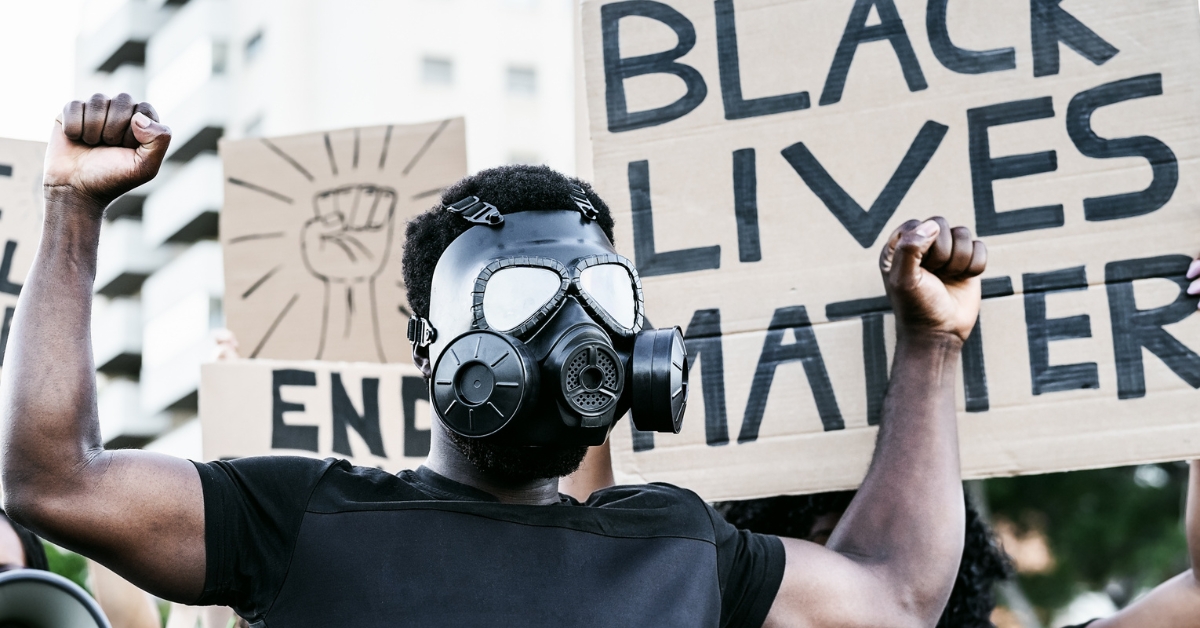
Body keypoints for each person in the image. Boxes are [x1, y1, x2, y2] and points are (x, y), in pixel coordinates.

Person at [0, 93, 987, 627]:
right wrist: (71, 207)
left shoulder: (681, 547)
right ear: (435, 344)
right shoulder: (301, 516)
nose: (573, 333)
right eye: (521, 296)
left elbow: (894, 595)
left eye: (601, 299)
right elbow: (57, 483)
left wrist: (932, 341)